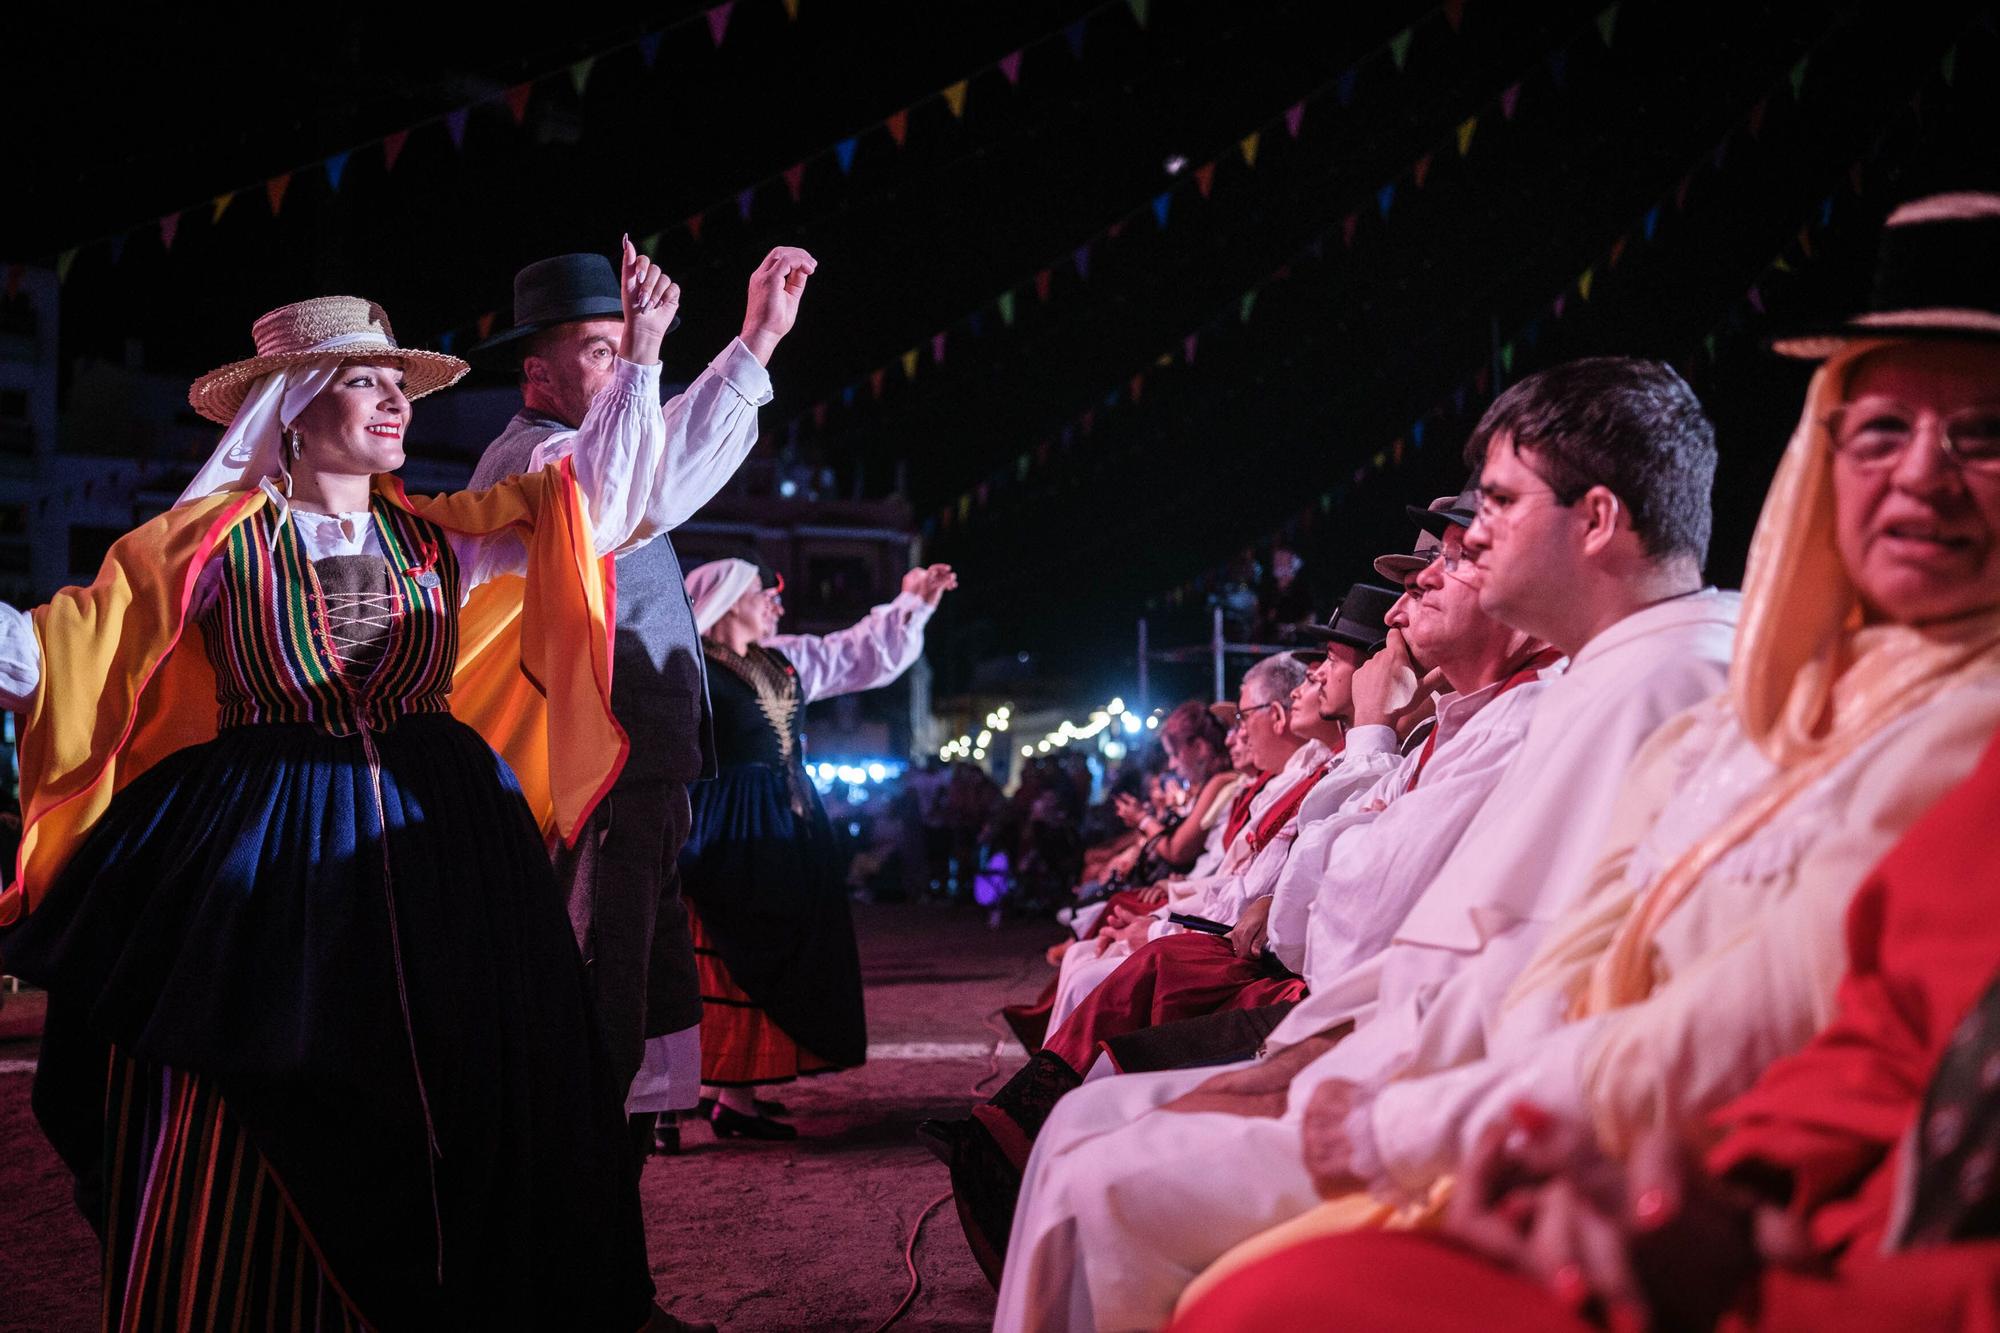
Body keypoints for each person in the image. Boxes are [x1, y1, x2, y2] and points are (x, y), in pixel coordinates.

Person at [1165, 190, 2000, 1329]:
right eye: (1876, 430)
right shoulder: (1778, 695)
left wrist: (1417, 1116)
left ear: (1596, 519)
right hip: (1584, 1133)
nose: (1918, 476)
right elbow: (1573, 950)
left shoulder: (1698, 680)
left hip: (1650, 1156)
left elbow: (1757, 1009)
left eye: (1984, 436)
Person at [0, 243, 711, 1330]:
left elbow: (602, 506)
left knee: (485, 1069)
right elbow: (51, 659)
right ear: (291, 407)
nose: (393, 400)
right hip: (267, 839)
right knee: (264, 1065)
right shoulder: (199, 545)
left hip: (446, 837)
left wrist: (645, 357)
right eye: (365, 380)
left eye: (397, 383)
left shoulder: (441, 534)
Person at [992, 356, 1740, 1332]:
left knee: (1105, 1182)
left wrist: (1338, 1090)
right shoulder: (1612, 677)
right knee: (1090, 1143)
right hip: (1404, 1061)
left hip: (1485, 1117)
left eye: (1499, 506)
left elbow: (1499, 971)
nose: (1468, 541)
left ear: (1594, 521)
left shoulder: (1657, 685)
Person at [467, 245, 813, 1159]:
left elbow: (653, 469)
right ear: (536, 371)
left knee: (637, 991)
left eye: (621, 346)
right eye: (599, 350)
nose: (621, 367)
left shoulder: (607, 453)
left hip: (645, 776)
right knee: (595, 996)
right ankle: (581, 1242)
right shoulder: (529, 464)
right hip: (598, 778)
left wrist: (756, 340)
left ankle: (607, 1246)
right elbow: (612, 493)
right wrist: (653, 357)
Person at [669, 555, 956, 1138]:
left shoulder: (782, 659)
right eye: (761, 592)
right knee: (714, 954)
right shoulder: (688, 666)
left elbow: (855, 654)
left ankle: (731, 1091)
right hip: (723, 822)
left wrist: (912, 604)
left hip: (784, 815)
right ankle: (684, 1099)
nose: (776, 601)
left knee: (768, 945)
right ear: (724, 601)